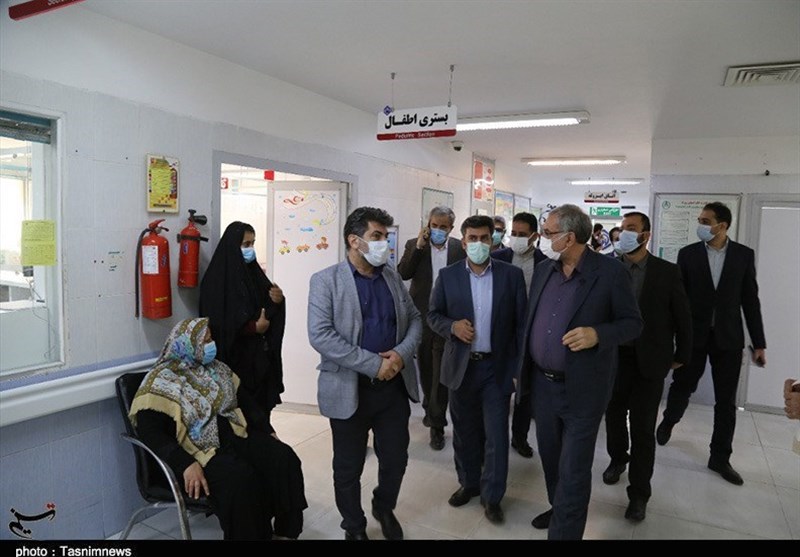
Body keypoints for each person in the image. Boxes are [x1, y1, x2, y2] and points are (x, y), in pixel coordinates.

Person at [518, 204, 642, 540]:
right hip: (542, 387)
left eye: (547, 233)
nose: (542, 239)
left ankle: (565, 532)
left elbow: (633, 324)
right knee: (551, 460)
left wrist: (598, 334)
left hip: (583, 389)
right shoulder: (544, 270)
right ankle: (558, 508)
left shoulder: (611, 272)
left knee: (573, 470)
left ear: (569, 237)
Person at [130, 317, 307, 540]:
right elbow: (151, 433)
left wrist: (267, 430)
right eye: (205, 341)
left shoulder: (218, 369)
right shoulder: (161, 381)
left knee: (283, 457)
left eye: (210, 339)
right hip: (198, 452)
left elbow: (246, 403)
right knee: (241, 481)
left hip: (235, 436)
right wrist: (185, 464)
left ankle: (286, 533)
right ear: (187, 344)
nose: (211, 345)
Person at [307, 207, 422, 540]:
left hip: (392, 389)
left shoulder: (391, 277)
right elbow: (321, 335)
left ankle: (383, 507)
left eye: (386, 236)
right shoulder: (326, 281)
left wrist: (400, 355)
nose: (384, 243)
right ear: (354, 241)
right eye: (377, 236)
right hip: (349, 387)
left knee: (396, 458)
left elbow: (415, 319)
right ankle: (354, 526)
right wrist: (374, 364)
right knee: (348, 466)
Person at [658, 201, 767, 486]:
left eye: (706, 221)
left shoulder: (743, 255)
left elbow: (750, 300)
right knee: (682, 385)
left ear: (723, 225)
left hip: (729, 339)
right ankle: (669, 420)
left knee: (726, 402)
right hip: (694, 336)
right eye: (700, 220)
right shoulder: (688, 254)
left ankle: (719, 457)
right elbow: (678, 299)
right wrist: (672, 337)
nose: (701, 226)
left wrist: (759, 343)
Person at [428, 215, 527, 525]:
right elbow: (433, 315)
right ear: (463, 240)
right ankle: (469, 483)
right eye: (473, 238)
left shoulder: (511, 276)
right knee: (464, 432)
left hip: (496, 369)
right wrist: (452, 327)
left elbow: (521, 326)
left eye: (485, 238)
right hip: (461, 368)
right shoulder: (448, 276)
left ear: (494, 240)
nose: (479, 244)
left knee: (497, 435)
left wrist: (517, 369)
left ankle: (492, 496)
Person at [601, 212, 692, 522]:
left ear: (645, 235)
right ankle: (617, 459)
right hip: (614, 358)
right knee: (613, 416)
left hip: (650, 360)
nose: (624, 233)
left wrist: (683, 354)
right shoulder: (610, 268)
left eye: (631, 228)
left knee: (642, 428)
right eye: (622, 228)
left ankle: (639, 493)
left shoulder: (667, 272)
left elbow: (682, 316)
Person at [200, 221, 286, 425]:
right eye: (246, 244)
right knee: (240, 421)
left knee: (262, 418)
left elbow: (265, 307)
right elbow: (218, 322)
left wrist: (277, 300)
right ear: (232, 246)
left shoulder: (254, 275)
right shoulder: (216, 281)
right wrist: (252, 328)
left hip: (259, 363)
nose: (250, 250)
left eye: (253, 243)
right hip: (234, 364)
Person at [397, 206, 465, 450]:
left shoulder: (458, 248)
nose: (437, 230)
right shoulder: (414, 245)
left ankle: (437, 424)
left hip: (448, 318)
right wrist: (419, 246)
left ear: (451, 228)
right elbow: (404, 273)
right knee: (426, 368)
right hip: (423, 316)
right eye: (434, 225)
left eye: (443, 227)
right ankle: (430, 406)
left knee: (440, 373)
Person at [505, 212, 547, 458]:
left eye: (522, 234)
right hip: (501, 334)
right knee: (499, 388)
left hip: (531, 333)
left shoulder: (545, 263)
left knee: (525, 390)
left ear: (534, 236)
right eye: (514, 233)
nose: (516, 238)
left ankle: (519, 438)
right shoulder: (498, 258)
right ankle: (494, 435)